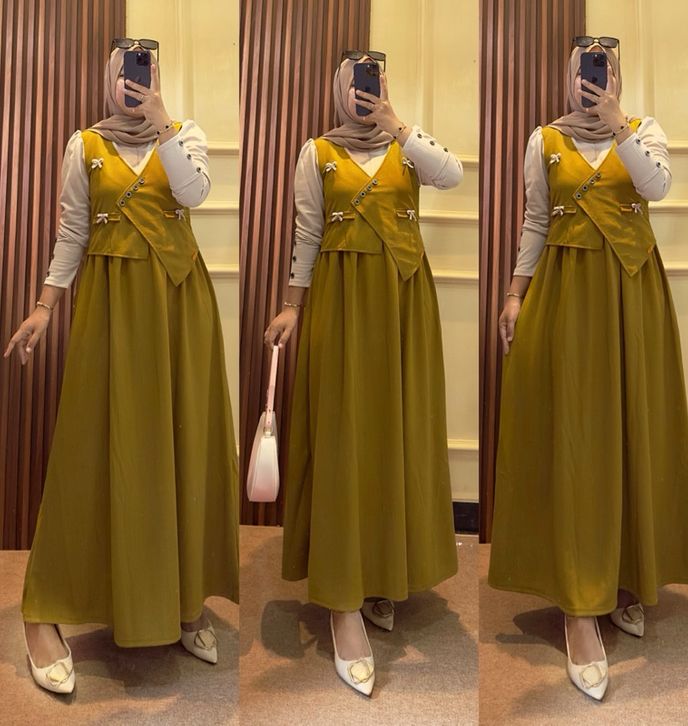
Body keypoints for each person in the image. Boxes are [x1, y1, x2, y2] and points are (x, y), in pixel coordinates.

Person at [4, 40, 239, 694]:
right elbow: (72, 231)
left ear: (157, 77)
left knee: (183, 450)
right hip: (109, 311)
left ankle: (184, 599)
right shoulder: (84, 145)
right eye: (124, 71)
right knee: (92, 452)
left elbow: (194, 193)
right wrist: (45, 307)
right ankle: (43, 612)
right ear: (108, 78)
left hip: (179, 308)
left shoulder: (185, 133)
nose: (133, 82)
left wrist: (163, 122)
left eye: (145, 71)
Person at [487, 37, 688, 700]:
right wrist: (515, 294)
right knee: (577, 442)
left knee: (630, 433)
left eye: (603, 71)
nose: (591, 81)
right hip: (565, 297)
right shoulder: (544, 140)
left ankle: (624, 576)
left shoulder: (643, 129)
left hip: (632, 295)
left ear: (616, 78)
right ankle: (578, 605)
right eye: (583, 70)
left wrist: (619, 125)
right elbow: (535, 220)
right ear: (569, 77)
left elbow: (657, 187)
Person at [264, 51, 462, 695]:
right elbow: (307, 233)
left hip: (404, 307)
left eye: (372, 82)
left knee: (392, 440)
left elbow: (453, 175)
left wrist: (399, 125)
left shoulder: (408, 145)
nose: (364, 94)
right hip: (342, 306)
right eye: (355, 84)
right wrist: (292, 306)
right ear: (338, 89)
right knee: (346, 440)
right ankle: (343, 601)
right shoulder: (316, 152)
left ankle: (379, 573)